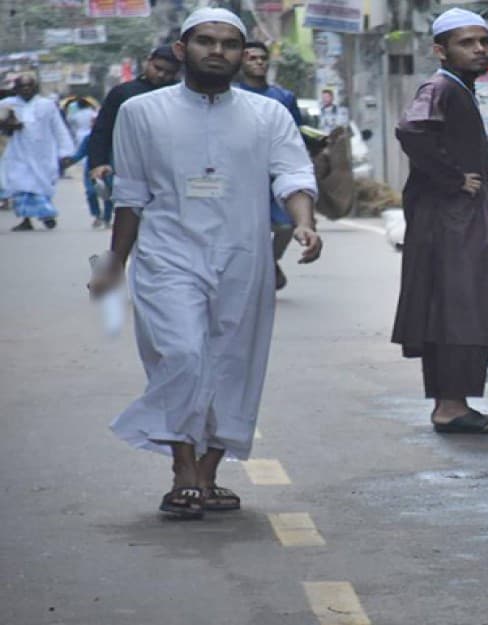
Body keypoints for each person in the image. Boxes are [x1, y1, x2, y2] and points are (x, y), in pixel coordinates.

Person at [87, 7, 321, 519]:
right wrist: (113, 264)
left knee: (235, 364)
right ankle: (182, 468)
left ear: (243, 54)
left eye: (229, 44)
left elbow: (293, 173)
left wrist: (304, 221)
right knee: (184, 356)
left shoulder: (269, 115)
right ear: (181, 50)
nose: (218, 51)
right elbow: (130, 196)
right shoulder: (142, 112)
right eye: (205, 42)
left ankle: (208, 473)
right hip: (168, 254)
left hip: (244, 255)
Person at [393, 8, 488, 435]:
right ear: (440, 50)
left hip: (457, 220)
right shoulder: (441, 86)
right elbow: (412, 130)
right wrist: (453, 180)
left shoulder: (458, 87)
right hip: (450, 223)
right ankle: (450, 407)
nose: (480, 49)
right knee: (457, 310)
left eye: (484, 41)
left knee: (457, 310)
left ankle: (452, 404)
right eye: (467, 42)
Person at [237, 40, 305, 290]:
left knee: (286, 224)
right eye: (251, 58)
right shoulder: (231, 96)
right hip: (241, 175)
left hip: (276, 173)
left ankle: (270, 262)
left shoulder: (283, 97)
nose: (258, 62)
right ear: (241, 62)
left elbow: (296, 134)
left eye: (262, 58)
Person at [87, 45, 180, 206]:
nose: (161, 75)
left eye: (168, 72)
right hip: (129, 166)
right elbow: (103, 130)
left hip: (172, 167)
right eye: (157, 68)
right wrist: (97, 163)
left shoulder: (180, 96)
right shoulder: (123, 93)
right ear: (148, 62)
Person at [0, 75, 75, 231]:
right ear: (16, 89)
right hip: (17, 153)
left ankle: (46, 214)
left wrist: (65, 152)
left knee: (41, 185)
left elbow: (59, 128)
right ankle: (26, 219)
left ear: (35, 88)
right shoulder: (7, 105)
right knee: (21, 186)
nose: (26, 89)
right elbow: (3, 128)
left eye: (29, 86)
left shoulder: (46, 105)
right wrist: (10, 125)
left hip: (43, 153)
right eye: (22, 87)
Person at [67, 123, 114, 228]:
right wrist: (69, 161)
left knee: (108, 195)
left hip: (109, 169)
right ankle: (96, 215)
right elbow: (80, 153)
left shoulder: (114, 138)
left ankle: (107, 218)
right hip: (92, 170)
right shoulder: (89, 138)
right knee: (91, 192)